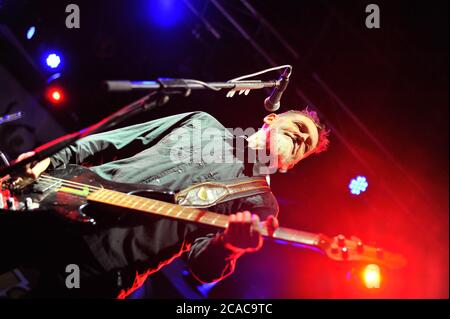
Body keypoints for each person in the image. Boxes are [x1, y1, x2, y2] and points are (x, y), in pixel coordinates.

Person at [7, 109, 329, 298]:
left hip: (107, 265)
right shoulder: (203, 123)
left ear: (288, 166)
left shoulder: (261, 204)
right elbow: (117, 140)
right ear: (270, 119)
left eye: (305, 147)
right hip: (63, 201)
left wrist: (230, 246)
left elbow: (201, 266)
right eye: (299, 128)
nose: (300, 140)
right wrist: (50, 159)